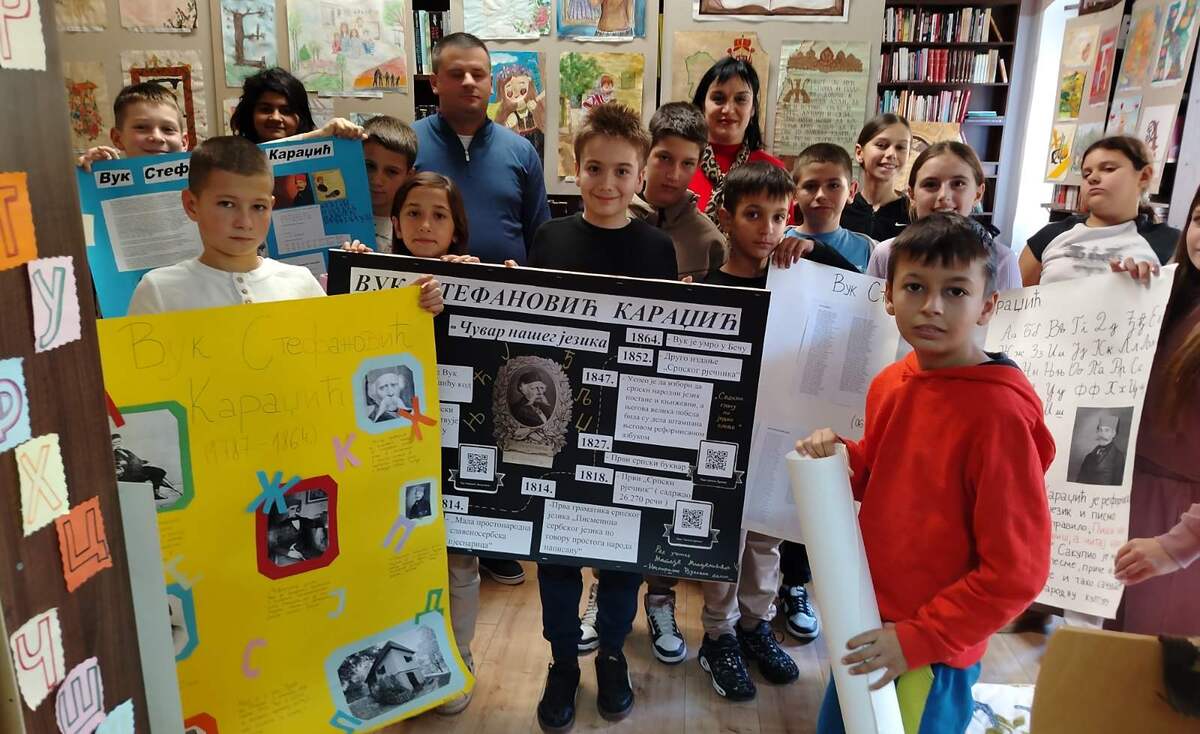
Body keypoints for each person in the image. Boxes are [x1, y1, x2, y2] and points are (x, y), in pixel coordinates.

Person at [797, 212, 1054, 734]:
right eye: (915, 287)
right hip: (866, 623)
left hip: (928, 653)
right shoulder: (893, 382)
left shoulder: (999, 415)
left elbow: (1017, 571)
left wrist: (918, 640)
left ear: (987, 304)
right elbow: (885, 474)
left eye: (956, 291)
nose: (932, 306)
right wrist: (841, 460)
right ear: (889, 296)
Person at [528, 102, 677, 730]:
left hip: (630, 426)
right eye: (595, 169)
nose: (607, 183)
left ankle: (612, 653)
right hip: (556, 425)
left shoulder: (658, 248)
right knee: (555, 553)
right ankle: (563, 660)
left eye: (621, 171)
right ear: (576, 167)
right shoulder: (550, 239)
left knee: (624, 556)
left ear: (641, 174)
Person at [345, 170, 484, 716]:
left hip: (455, 446)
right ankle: (406, 655)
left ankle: (460, 656)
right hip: (390, 450)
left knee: (459, 557)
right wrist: (355, 275)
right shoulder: (370, 274)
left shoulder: (472, 278)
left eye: (439, 215)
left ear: (457, 228)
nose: (425, 225)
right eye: (414, 214)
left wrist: (473, 288)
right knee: (396, 552)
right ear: (396, 224)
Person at [690, 162, 812, 702]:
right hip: (720, 436)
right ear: (725, 217)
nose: (768, 229)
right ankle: (718, 634)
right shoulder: (706, 288)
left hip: (776, 433)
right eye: (754, 215)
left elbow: (850, 289)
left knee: (767, 537)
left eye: (780, 217)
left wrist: (810, 249)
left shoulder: (797, 281)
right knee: (725, 539)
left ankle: (754, 625)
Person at [126, 135, 443, 317]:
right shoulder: (159, 291)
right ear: (191, 204)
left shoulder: (299, 282)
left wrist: (410, 307)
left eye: (258, 207)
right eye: (226, 204)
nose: (244, 222)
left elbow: (344, 352)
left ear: (272, 207)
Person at [1107, 184, 1200, 637]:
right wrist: (1131, 296)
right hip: (1126, 497)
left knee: (1160, 658)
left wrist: (1180, 545)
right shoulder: (1179, 296)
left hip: (1184, 518)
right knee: (1116, 651)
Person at [413, 33, 550, 266]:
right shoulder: (409, 144)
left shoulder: (522, 151)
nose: (469, 82)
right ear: (435, 83)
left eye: (477, 74)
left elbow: (541, 242)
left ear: (490, 82)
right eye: (457, 74)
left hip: (505, 288)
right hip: (424, 286)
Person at [1019, 136, 1179, 286]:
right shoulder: (1049, 236)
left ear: (1144, 176)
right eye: (1086, 173)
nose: (1092, 178)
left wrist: (1152, 288)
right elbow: (1014, 298)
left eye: (1108, 169)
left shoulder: (1170, 242)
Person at [867, 141, 1022, 292]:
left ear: (978, 193)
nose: (944, 195)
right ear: (912, 194)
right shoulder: (885, 255)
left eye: (958, 184)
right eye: (930, 184)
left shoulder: (1002, 261)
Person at [628, 102, 726, 282]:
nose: (674, 175)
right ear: (646, 152)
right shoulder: (614, 220)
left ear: (698, 165)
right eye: (665, 158)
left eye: (687, 163)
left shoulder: (711, 241)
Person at [688, 56, 787, 224]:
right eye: (718, 98)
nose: (728, 109)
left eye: (741, 99)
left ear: (753, 108)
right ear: (702, 105)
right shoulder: (680, 164)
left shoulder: (774, 171)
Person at [787, 143, 878, 272]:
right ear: (794, 193)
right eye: (810, 186)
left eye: (833, 186)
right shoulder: (775, 242)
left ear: (851, 192)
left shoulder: (869, 250)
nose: (821, 195)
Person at [228, 67, 365, 144]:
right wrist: (319, 135)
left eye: (286, 111)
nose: (275, 117)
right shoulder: (233, 160)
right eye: (265, 109)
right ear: (250, 113)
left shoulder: (319, 159)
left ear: (301, 116)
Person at [77, 82, 187, 169]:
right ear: (117, 138)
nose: (157, 137)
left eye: (168, 129)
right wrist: (95, 176)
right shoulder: (109, 180)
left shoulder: (196, 183)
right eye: (141, 127)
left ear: (184, 142)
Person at [841, 114, 913, 241]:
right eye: (881, 145)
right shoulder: (841, 208)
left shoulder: (913, 215)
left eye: (900, 147)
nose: (892, 154)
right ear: (859, 152)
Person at [362, 115, 418, 252]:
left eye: (392, 172)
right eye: (369, 166)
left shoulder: (417, 229)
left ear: (409, 176)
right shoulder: (333, 221)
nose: (377, 180)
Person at [111, 433, 176, 500]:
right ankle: (156, 492)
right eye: (115, 442)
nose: (117, 444)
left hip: (136, 471)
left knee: (159, 471)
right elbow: (114, 464)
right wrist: (116, 457)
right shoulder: (111, 453)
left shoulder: (125, 451)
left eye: (119, 441)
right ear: (111, 443)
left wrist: (146, 462)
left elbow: (137, 460)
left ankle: (156, 492)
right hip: (126, 475)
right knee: (155, 472)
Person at [1075, 412, 1125, 485]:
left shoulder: (1118, 457)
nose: (1102, 434)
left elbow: (1117, 484)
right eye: (1100, 430)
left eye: (1106, 430)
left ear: (1113, 433)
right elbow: (1079, 481)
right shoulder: (1088, 457)